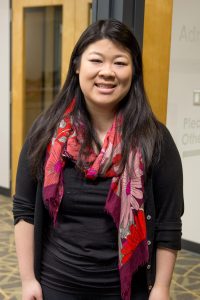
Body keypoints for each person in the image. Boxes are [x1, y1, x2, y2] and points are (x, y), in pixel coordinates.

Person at [13, 19, 184, 300]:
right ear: (78, 66)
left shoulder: (155, 139)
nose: (107, 72)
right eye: (96, 60)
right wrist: (28, 279)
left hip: (127, 291)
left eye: (120, 62)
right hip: (56, 285)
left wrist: (162, 288)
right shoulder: (47, 132)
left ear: (134, 71)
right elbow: (24, 210)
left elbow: (168, 222)